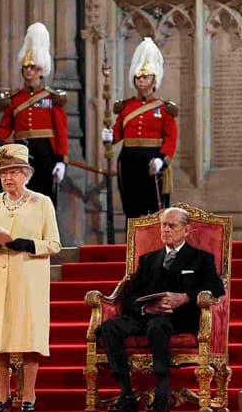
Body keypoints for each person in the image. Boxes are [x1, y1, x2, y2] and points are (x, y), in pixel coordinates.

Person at [97, 207, 225, 412]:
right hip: (146, 315)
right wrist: (147, 307)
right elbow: (129, 295)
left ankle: (162, 392)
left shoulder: (201, 258)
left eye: (172, 225)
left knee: (158, 327)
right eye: (163, 225)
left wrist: (184, 297)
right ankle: (126, 393)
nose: (166, 229)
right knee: (109, 328)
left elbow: (217, 287)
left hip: (179, 317)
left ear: (186, 230)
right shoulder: (148, 259)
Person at [0, 143, 61, 412]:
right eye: (3, 173)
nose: (8, 178)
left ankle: (28, 397)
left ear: (26, 174)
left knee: (27, 338)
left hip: (28, 278)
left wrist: (28, 244)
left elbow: (55, 243)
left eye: (13, 171)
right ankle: (2, 396)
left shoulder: (41, 202)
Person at [0, 22, 68, 205]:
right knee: (20, 198)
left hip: (45, 153)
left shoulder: (52, 98)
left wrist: (61, 161)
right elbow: (7, 126)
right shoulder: (15, 98)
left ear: (41, 71)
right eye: (26, 68)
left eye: (33, 68)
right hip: (21, 151)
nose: (29, 71)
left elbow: (60, 131)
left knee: (43, 199)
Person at [101, 37, 178, 220]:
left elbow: (171, 137)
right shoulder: (126, 106)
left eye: (145, 77)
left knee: (155, 209)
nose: (141, 80)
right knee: (132, 208)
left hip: (152, 158)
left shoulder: (164, 108)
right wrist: (109, 136)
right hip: (129, 159)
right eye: (138, 77)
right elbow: (119, 133)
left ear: (154, 80)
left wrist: (161, 159)